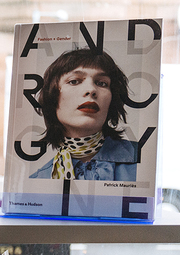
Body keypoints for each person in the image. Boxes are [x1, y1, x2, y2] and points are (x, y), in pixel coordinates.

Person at [30, 48, 137, 181]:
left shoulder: (145, 162)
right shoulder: (38, 181)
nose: (91, 90)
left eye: (102, 83)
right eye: (74, 81)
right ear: (52, 96)